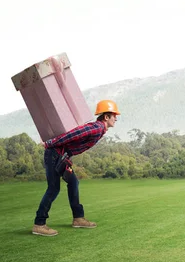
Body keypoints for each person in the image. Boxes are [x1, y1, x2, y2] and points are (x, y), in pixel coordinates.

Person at [32, 99, 121, 237]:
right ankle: (39, 224)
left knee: (74, 182)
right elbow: (74, 134)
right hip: (54, 153)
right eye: (114, 115)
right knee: (53, 188)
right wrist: (50, 143)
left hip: (62, 156)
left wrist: (67, 157)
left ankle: (78, 218)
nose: (116, 118)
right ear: (106, 116)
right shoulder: (96, 128)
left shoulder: (100, 129)